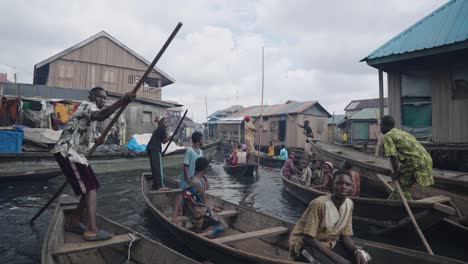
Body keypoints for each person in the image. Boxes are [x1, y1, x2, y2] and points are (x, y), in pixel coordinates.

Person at [53, 87, 135, 241]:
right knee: (90, 188)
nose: (102, 100)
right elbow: (101, 115)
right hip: (67, 152)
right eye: (99, 97)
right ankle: (91, 229)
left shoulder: (92, 116)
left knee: (93, 186)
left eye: (104, 98)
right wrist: (122, 101)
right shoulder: (86, 106)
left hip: (78, 154)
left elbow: (87, 135)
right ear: (92, 97)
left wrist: (98, 140)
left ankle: (75, 220)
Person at [289, 170, 370, 264]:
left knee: (365, 257)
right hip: (304, 246)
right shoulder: (319, 204)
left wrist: (357, 251)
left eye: (347, 184)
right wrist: (337, 258)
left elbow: (344, 236)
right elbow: (308, 238)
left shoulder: (349, 204)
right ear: (333, 186)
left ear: (351, 188)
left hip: (328, 245)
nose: (343, 187)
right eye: (338, 183)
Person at [380, 115, 433, 200]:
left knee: (401, 187)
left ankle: (404, 206)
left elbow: (393, 156)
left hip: (414, 163)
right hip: (426, 160)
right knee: (402, 187)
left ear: (383, 126)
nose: (380, 128)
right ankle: (403, 202)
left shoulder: (388, 136)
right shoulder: (401, 132)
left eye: (380, 126)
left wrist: (396, 174)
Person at [172, 157, 226, 237]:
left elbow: (202, 194)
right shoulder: (194, 182)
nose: (208, 168)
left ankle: (204, 228)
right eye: (207, 167)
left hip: (202, 209)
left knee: (215, 218)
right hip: (199, 213)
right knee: (224, 226)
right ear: (204, 168)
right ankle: (202, 235)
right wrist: (174, 216)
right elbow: (180, 196)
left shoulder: (200, 179)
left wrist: (206, 179)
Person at [147, 117, 177, 191]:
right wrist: (172, 136)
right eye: (165, 122)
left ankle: (155, 186)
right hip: (155, 150)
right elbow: (164, 141)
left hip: (151, 149)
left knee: (155, 168)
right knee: (158, 168)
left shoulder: (159, 128)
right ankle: (160, 186)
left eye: (166, 122)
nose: (166, 124)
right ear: (161, 123)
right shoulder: (162, 129)